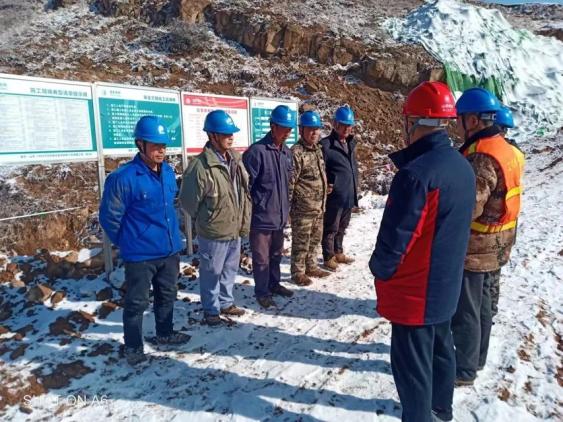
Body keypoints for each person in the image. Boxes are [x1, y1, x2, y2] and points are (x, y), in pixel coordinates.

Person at [369, 82, 476, 422]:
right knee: (442, 352)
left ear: (414, 122)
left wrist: (379, 268)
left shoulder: (415, 176)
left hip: (414, 295)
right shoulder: (462, 166)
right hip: (445, 287)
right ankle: (441, 411)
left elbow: (396, 241)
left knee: (413, 372)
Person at [99, 115, 190, 365]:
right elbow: (109, 217)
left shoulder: (168, 172)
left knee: (167, 294)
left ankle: (165, 333)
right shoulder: (124, 178)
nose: (161, 150)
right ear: (140, 144)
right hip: (140, 255)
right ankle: (133, 346)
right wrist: (129, 242)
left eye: (163, 145)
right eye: (155, 145)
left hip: (169, 249)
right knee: (136, 302)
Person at [452, 88, 525, 386]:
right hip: (498, 241)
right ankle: (477, 359)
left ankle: (464, 369)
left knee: (467, 309)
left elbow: (471, 205)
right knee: (482, 304)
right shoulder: (506, 148)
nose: (457, 125)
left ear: (472, 120)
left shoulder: (482, 155)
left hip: (477, 246)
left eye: (459, 119)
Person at [179, 110, 251, 326]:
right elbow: (188, 202)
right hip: (213, 231)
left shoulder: (235, 159)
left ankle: (226, 302)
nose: (230, 137)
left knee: (230, 269)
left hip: (234, 227)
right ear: (212, 136)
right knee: (211, 272)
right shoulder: (200, 166)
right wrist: (208, 218)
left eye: (231, 133)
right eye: (225, 133)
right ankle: (211, 310)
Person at [243, 105, 296, 309]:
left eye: (289, 129)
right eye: (284, 128)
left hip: (280, 216)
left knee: (276, 255)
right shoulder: (257, 152)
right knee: (261, 259)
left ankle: (274, 284)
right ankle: (262, 292)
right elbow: (246, 187)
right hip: (261, 218)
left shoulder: (286, 152)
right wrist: (254, 209)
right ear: (273, 126)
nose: (287, 132)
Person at [288, 110, 331, 286]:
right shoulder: (296, 152)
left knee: (314, 240)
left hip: (319, 206)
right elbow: (290, 183)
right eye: (310, 129)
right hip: (302, 209)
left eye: (317, 129)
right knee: (301, 243)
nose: (314, 132)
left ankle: (311, 266)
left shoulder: (318, 150)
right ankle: (297, 272)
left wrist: (325, 187)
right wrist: (288, 209)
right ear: (301, 130)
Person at [320, 106, 359, 271]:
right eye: (343, 125)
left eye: (349, 126)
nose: (346, 129)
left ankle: (338, 251)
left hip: (348, 193)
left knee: (342, 227)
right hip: (334, 195)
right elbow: (320, 169)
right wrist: (328, 184)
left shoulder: (351, 143)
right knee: (331, 227)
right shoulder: (326, 145)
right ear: (335, 124)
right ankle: (328, 256)